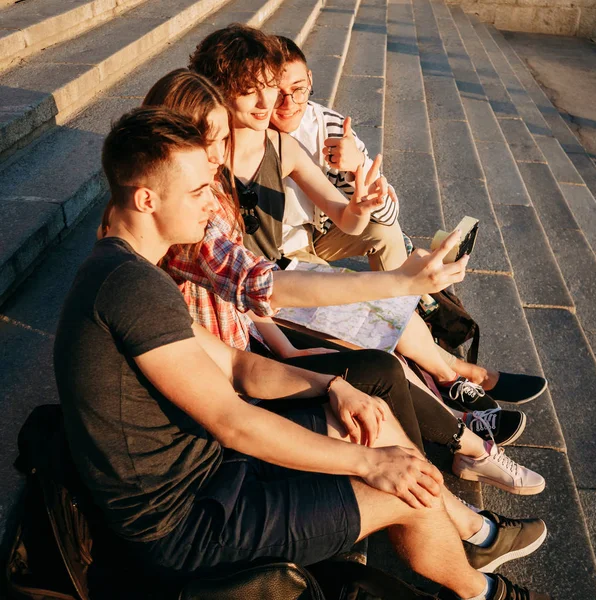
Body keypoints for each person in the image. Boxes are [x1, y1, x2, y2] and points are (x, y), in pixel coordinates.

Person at [57, 106, 550, 600]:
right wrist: (370, 466)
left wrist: (333, 386)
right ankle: (484, 593)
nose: (212, 203)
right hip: (188, 522)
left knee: (377, 428)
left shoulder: (131, 271)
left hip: (213, 473)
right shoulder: (130, 287)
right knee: (405, 485)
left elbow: (238, 365)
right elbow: (234, 422)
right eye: (197, 190)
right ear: (146, 199)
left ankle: (470, 553)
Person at [144, 69, 545, 496]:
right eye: (255, 92)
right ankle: (457, 456)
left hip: (255, 336)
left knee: (382, 341)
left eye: (292, 89)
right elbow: (258, 285)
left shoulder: (243, 169)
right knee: (376, 361)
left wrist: (359, 188)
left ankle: (461, 420)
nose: (276, 102)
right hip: (240, 365)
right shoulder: (192, 219)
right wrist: (398, 283)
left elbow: (246, 290)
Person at [187, 26, 548, 412]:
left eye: (271, 87)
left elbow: (349, 219)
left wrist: (359, 205)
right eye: (249, 90)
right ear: (219, 91)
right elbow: (236, 277)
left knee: (390, 307)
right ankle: (457, 389)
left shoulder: (282, 144)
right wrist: (285, 345)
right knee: (383, 330)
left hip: (277, 273)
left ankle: (456, 381)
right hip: (259, 293)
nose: (268, 103)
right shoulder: (206, 160)